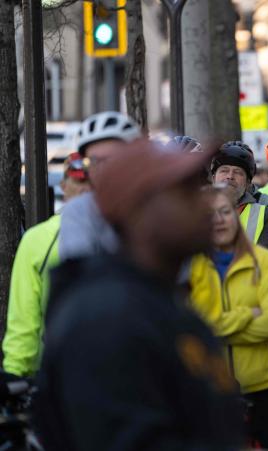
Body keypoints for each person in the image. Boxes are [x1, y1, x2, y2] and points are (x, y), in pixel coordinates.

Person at [35, 140, 243, 451]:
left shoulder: (164, 304)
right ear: (138, 212)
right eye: (184, 192)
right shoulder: (105, 319)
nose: (205, 203)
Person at [189, 185, 268, 450]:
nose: (219, 220)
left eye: (225, 212)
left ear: (236, 214)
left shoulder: (264, 261)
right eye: (210, 215)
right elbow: (194, 327)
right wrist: (247, 314)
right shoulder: (193, 266)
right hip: (210, 389)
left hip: (261, 388)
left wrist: (217, 324)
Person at [2, 153, 90, 376]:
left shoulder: (38, 240)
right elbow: (24, 325)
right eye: (79, 180)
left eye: (91, 181)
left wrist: (15, 375)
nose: (85, 188)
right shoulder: (37, 240)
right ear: (63, 186)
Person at [58, 111, 142, 260]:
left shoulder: (162, 204)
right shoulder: (79, 212)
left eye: (112, 159)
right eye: (93, 161)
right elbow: (80, 273)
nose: (102, 169)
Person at [212, 141, 268, 254]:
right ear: (214, 178)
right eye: (224, 170)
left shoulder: (265, 215)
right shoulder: (196, 210)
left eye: (237, 172)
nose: (230, 176)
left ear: (248, 183)